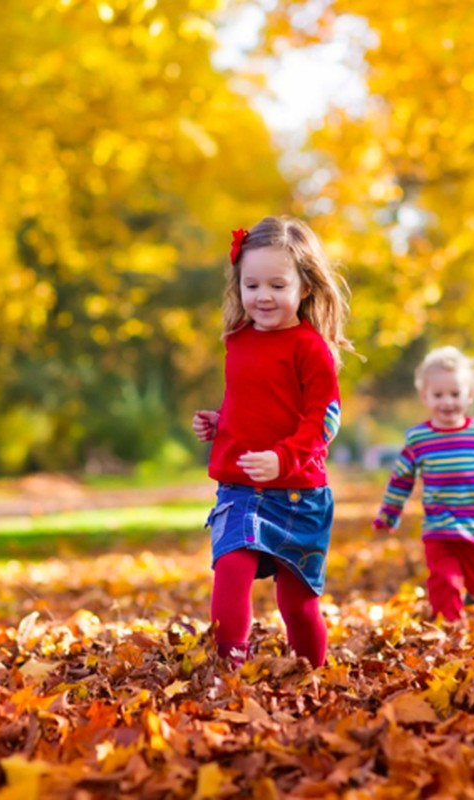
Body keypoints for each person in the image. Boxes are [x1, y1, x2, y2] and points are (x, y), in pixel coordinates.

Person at [192, 216, 355, 669]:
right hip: (240, 488)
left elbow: (323, 420)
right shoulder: (237, 340)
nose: (263, 296)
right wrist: (219, 422)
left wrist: (282, 458)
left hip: (299, 495)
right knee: (230, 572)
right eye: (252, 284)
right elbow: (255, 405)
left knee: (296, 604)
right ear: (238, 285)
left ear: (304, 286)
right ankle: (229, 667)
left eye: (277, 285)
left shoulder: (310, 348)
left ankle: (311, 674)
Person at [372, 346, 474, 622]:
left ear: (470, 394)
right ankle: (448, 627)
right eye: (438, 395)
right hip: (439, 528)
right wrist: (389, 516)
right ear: (424, 396)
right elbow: (400, 479)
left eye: (455, 394)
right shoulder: (418, 438)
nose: (447, 402)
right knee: (443, 579)